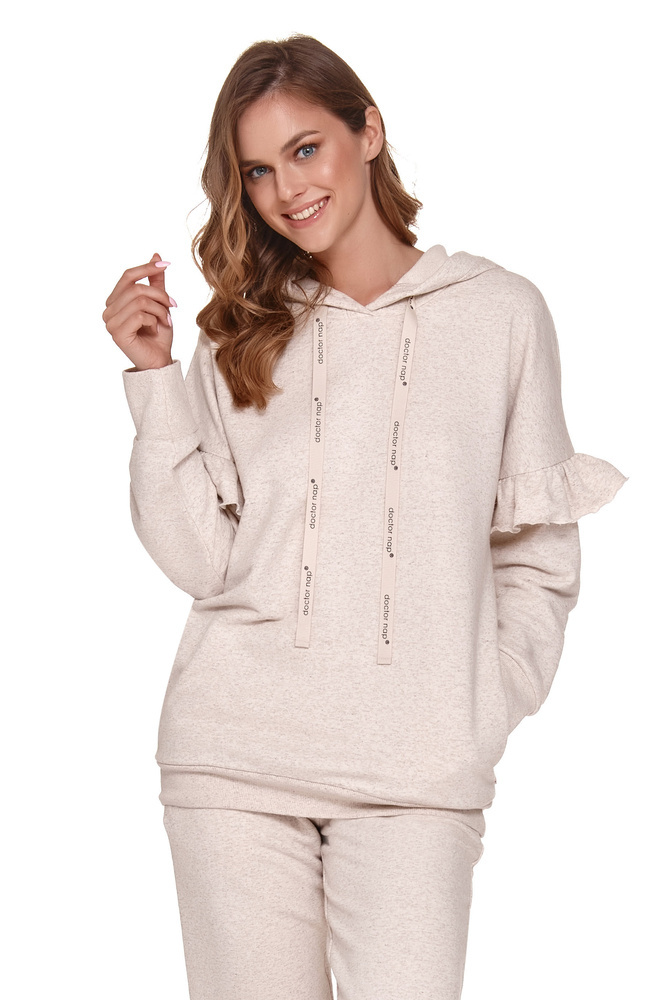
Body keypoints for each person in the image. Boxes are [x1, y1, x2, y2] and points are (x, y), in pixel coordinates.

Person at [103, 33, 628, 1000]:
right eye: (257, 170)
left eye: (305, 149)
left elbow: (536, 557)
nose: (285, 190)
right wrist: (151, 380)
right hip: (234, 762)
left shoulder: (500, 314)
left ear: (369, 133)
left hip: (417, 774)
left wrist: (480, 703)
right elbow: (201, 561)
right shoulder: (238, 333)